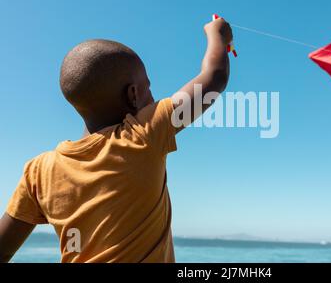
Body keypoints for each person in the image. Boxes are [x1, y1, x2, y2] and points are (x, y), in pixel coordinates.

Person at [0, 17, 233, 262]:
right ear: (133, 95)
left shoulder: (37, 172)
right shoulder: (143, 134)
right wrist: (218, 34)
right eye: (148, 88)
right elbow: (214, 77)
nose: (153, 97)